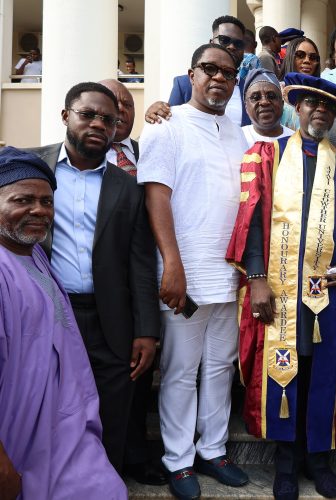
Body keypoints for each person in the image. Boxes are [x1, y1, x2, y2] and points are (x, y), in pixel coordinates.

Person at [226, 72, 336, 500]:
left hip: (331, 292)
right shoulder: (268, 156)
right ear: (297, 108)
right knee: (286, 371)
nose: (319, 111)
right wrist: (256, 278)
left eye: (328, 107)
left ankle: (318, 460)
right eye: (311, 104)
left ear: (335, 117)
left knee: (324, 373)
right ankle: (286, 464)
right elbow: (250, 221)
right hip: (280, 289)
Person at [25, 80, 159, 476]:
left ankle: (104, 483)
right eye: (88, 115)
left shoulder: (129, 186)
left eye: (109, 119)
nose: (99, 124)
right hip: (47, 314)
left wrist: (146, 330)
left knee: (111, 417)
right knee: (46, 410)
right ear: (66, 116)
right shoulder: (31, 167)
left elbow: (140, 263)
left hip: (110, 322)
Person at [137, 43, 250, 500]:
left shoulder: (239, 133)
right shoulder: (167, 125)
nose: (219, 78)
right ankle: (178, 459)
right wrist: (172, 264)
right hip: (184, 273)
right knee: (181, 370)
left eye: (228, 72)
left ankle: (213, 450)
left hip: (229, 274)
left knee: (221, 366)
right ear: (191, 74)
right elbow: (156, 196)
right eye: (210, 69)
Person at [0, 147, 127, 499]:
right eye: (23, 200)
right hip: (16, 439)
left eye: (46, 201)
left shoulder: (34, 255)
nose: (39, 210)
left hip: (62, 433)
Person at [96, 79, 168, 486]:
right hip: (96, 287)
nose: (120, 110)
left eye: (127, 103)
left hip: (148, 279)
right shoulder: (78, 157)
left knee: (140, 375)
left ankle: (137, 454)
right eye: (112, 103)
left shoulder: (148, 152)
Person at [145, 15, 251, 127]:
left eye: (238, 44)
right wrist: (157, 111)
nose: (232, 46)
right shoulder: (184, 84)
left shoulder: (251, 89)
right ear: (211, 42)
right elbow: (169, 121)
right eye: (224, 40)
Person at [241, 68, 294, 145]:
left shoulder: (296, 141)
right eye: (255, 97)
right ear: (246, 107)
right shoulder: (238, 138)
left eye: (271, 96)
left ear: (282, 104)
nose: (264, 102)